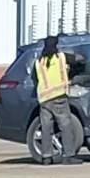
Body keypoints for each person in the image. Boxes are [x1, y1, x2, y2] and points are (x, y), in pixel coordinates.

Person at [29, 34, 83, 164]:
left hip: (44, 99)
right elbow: (79, 59)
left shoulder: (38, 63)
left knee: (46, 127)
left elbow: (35, 79)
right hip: (58, 97)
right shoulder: (61, 58)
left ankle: (46, 157)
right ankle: (68, 156)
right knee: (65, 125)